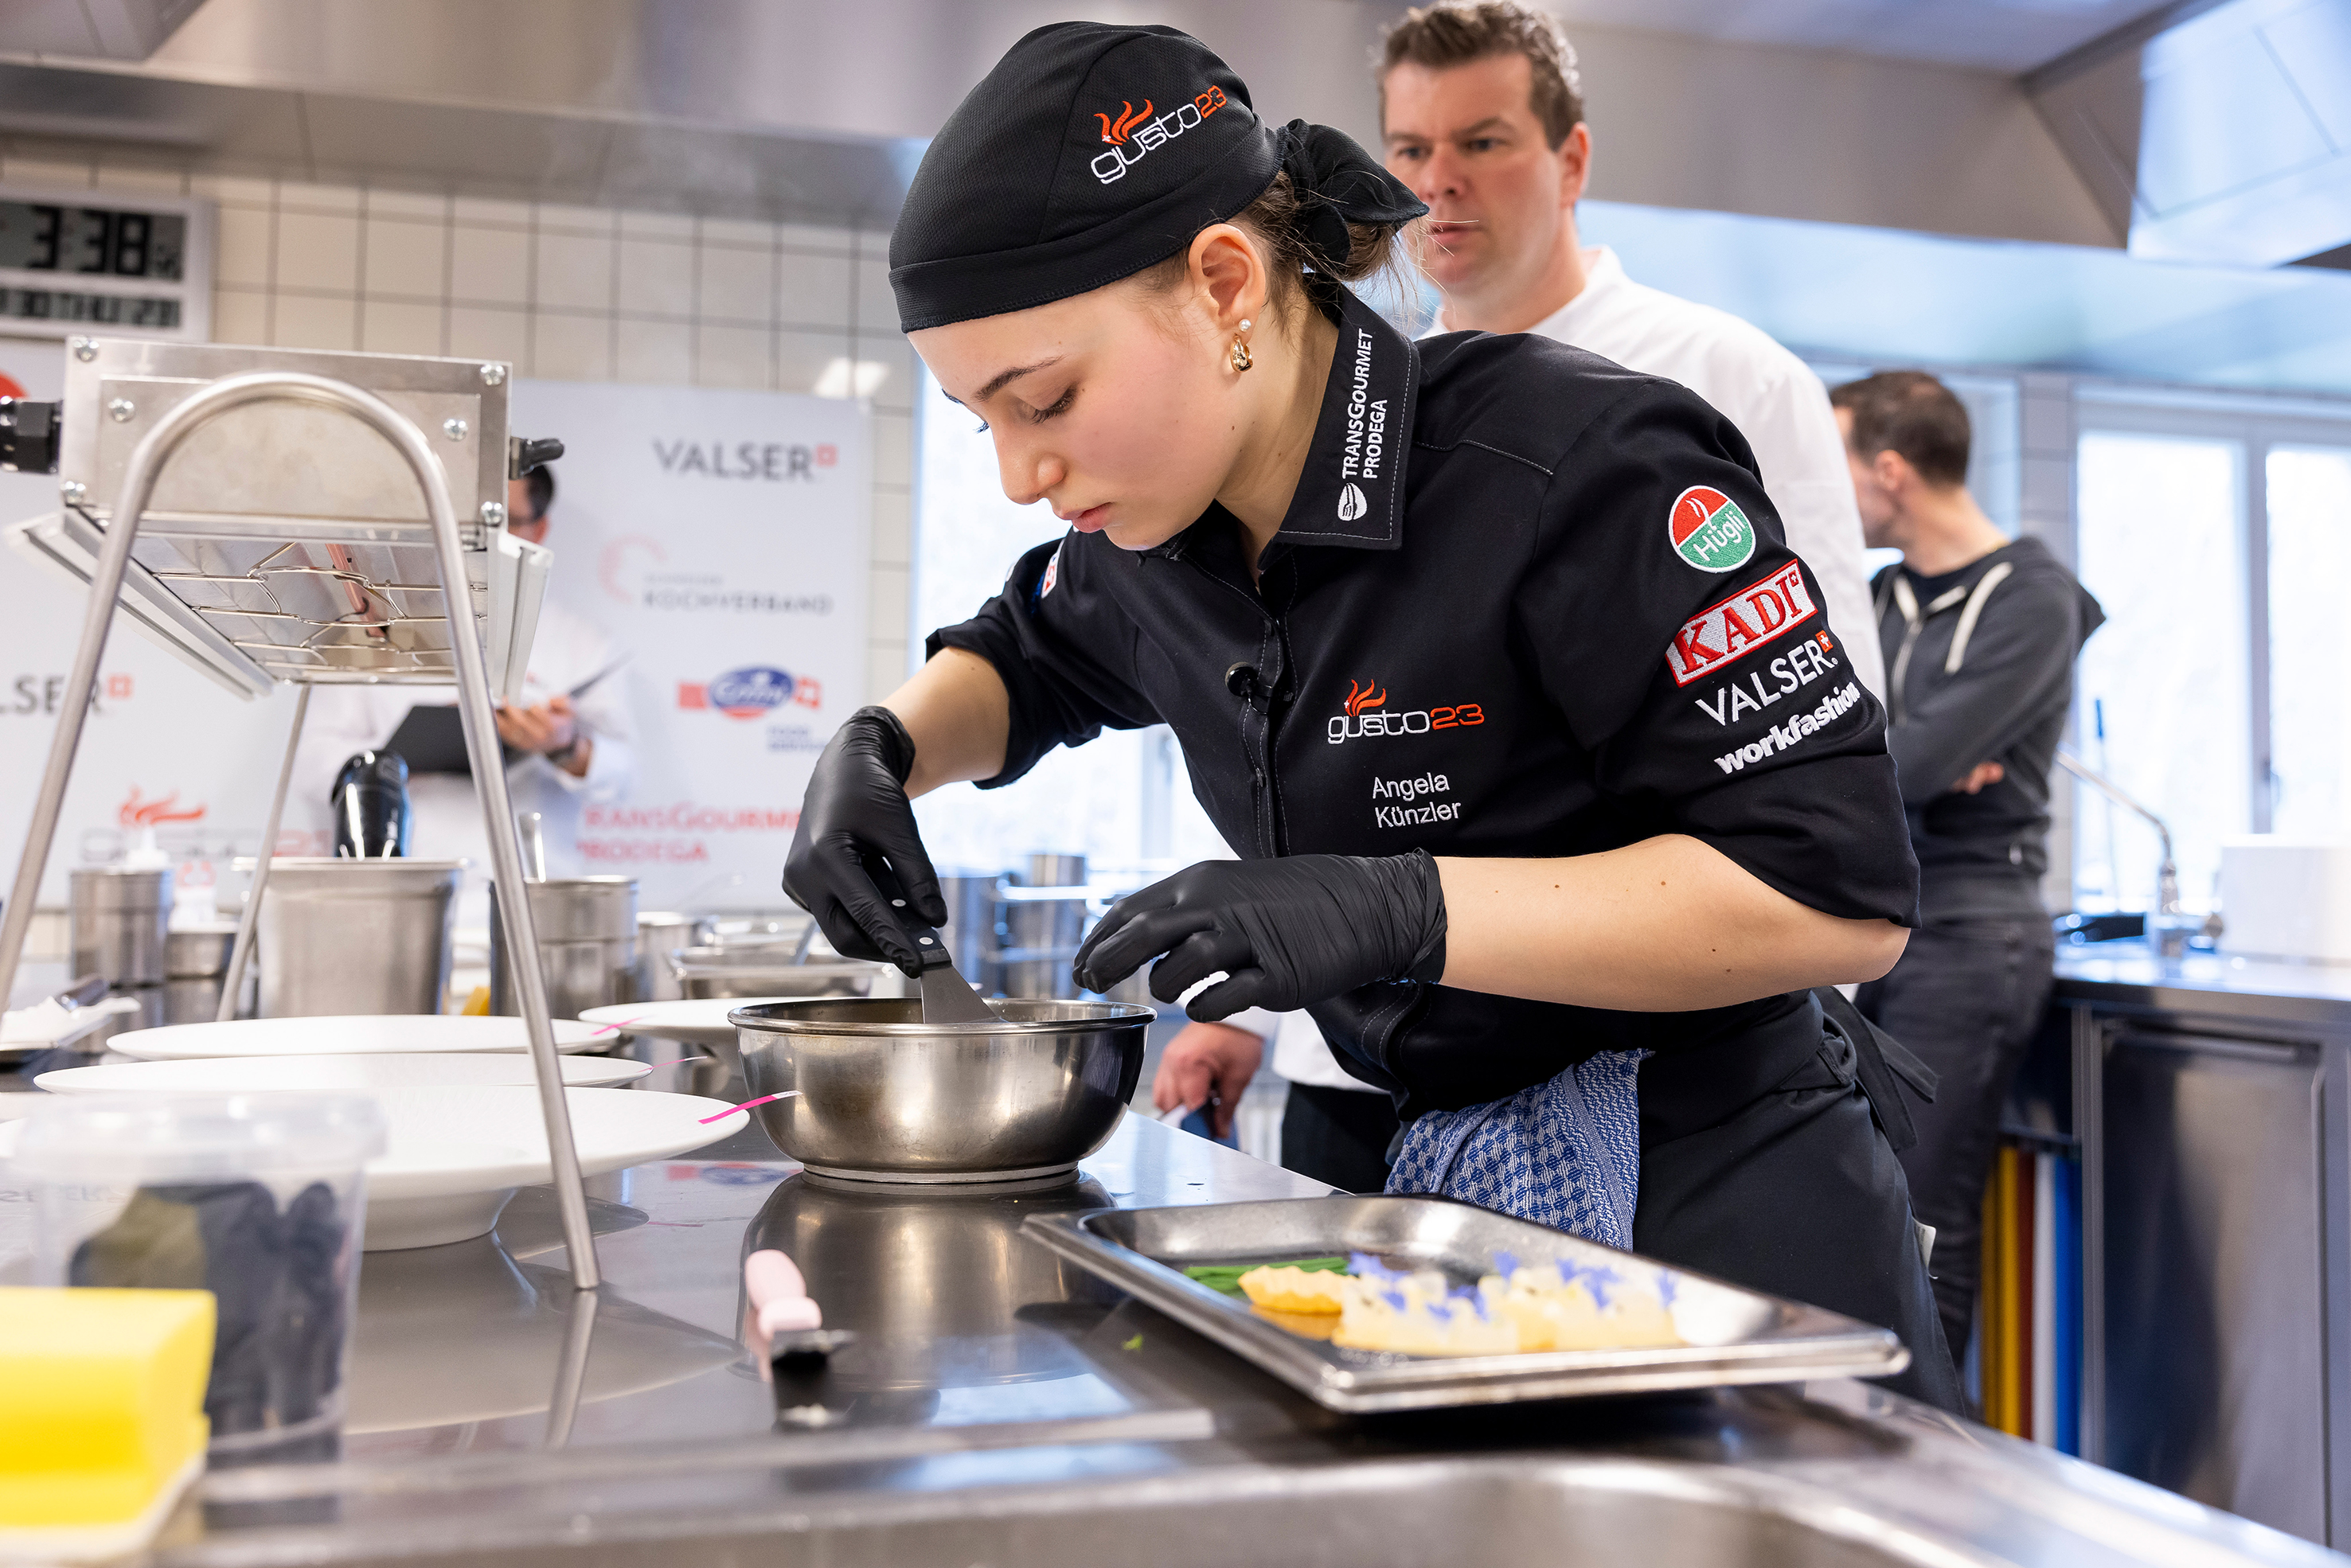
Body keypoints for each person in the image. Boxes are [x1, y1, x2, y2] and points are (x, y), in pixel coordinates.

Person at [787, 20, 1958, 1410]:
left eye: (1042, 399)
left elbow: (1835, 899)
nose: (1023, 472)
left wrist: (1405, 907)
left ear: (1223, 283)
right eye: (982, 421)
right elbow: (1026, 655)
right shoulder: (1153, 534)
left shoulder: (1578, 467)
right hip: (1456, 1201)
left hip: (1721, 1201)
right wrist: (882, 749)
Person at [1153, 0, 1892, 1188]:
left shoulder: (1720, 377)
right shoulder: (1343, 403)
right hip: (1353, 1083)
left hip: (1635, 1089)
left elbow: (1821, 755)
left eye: (1483, 142)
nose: (1438, 183)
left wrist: (1778, 1087)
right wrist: (1252, 1010)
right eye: (1409, 150)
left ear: (1571, 158)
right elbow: (1295, 743)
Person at [1833, 371, 2103, 1367]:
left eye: (1840, 459)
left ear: (1890, 471)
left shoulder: (2035, 595)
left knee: (1925, 1215)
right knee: (1864, 1205)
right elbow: (1840, 754)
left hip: (1973, 930)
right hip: (1880, 919)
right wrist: (1901, 757)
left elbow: (1908, 758)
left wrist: (1898, 756)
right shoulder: (1880, 594)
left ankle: (1925, 1470)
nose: (1833, 484)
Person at [293, 465, 635, 925]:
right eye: (471, 521)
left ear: (539, 530)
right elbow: (312, 764)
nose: (483, 539)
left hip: (535, 904)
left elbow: (623, 776)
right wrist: (389, 763)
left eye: (505, 522)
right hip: (400, 905)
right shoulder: (372, 626)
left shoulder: (581, 644)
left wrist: (565, 746)